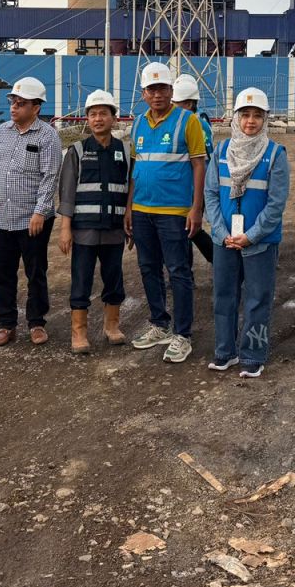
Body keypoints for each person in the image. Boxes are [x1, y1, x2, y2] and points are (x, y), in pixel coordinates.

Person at [126, 62, 208, 365]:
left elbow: (199, 164)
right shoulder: (138, 123)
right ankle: (160, 324)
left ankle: (182, 334)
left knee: (178, 271)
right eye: (151, 89)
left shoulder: (188, 121)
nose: (157, 94)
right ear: (143, 94)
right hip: (142, 210)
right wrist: (129, 208)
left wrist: (196, 208)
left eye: (162, 88)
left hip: (174, 211)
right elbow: (135, 167)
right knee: (148, 268)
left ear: (171, 91)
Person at [205, 89, 289, 378]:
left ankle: (253, 354)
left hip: (260, 243)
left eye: (257, 116)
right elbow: (211, 195)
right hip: (225, 241)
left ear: (265, 120)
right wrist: (221, 232)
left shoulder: (275, 154)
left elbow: (276, 204)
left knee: (257, 298)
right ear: (236, 118)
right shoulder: (221, 152)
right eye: (245, 115)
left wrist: (251, 235)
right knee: (224, 296)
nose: (250, 121)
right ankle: (225, 351)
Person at [0, 77, 62, 347]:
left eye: (20, 104)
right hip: (1, 216)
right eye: (13, 102)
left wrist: (40, 211)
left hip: (33, 219)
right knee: (3, 272)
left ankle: (36, 322)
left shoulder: (47, 136)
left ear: (36, 107)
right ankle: (5, 324)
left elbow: (50, 176)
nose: (13, 108)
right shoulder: (0, 133)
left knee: (35, 272)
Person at [57, 89, 129, 354]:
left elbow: (130, 185)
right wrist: (65, 228)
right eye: (93, 114)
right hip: (84, 230)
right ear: (87, 119)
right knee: (82, 278)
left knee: (114, 276)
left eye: (103, 113)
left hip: (114, 229)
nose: (98, 119)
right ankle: (79, 332)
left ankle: (112, 325)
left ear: (113, 118)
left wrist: (129, 217)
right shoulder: (77, 150)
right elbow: (67, 192)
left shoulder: (124, 150)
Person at [173, 74, 214, 265]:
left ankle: (221, 262)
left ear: (189, 104)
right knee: (187, 230)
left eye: (176, 103)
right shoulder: (196, 119)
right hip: (184, 185)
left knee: (189, 229)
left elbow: (202, 162)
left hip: (194, 186)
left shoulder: (197, 123)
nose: (172, 107)